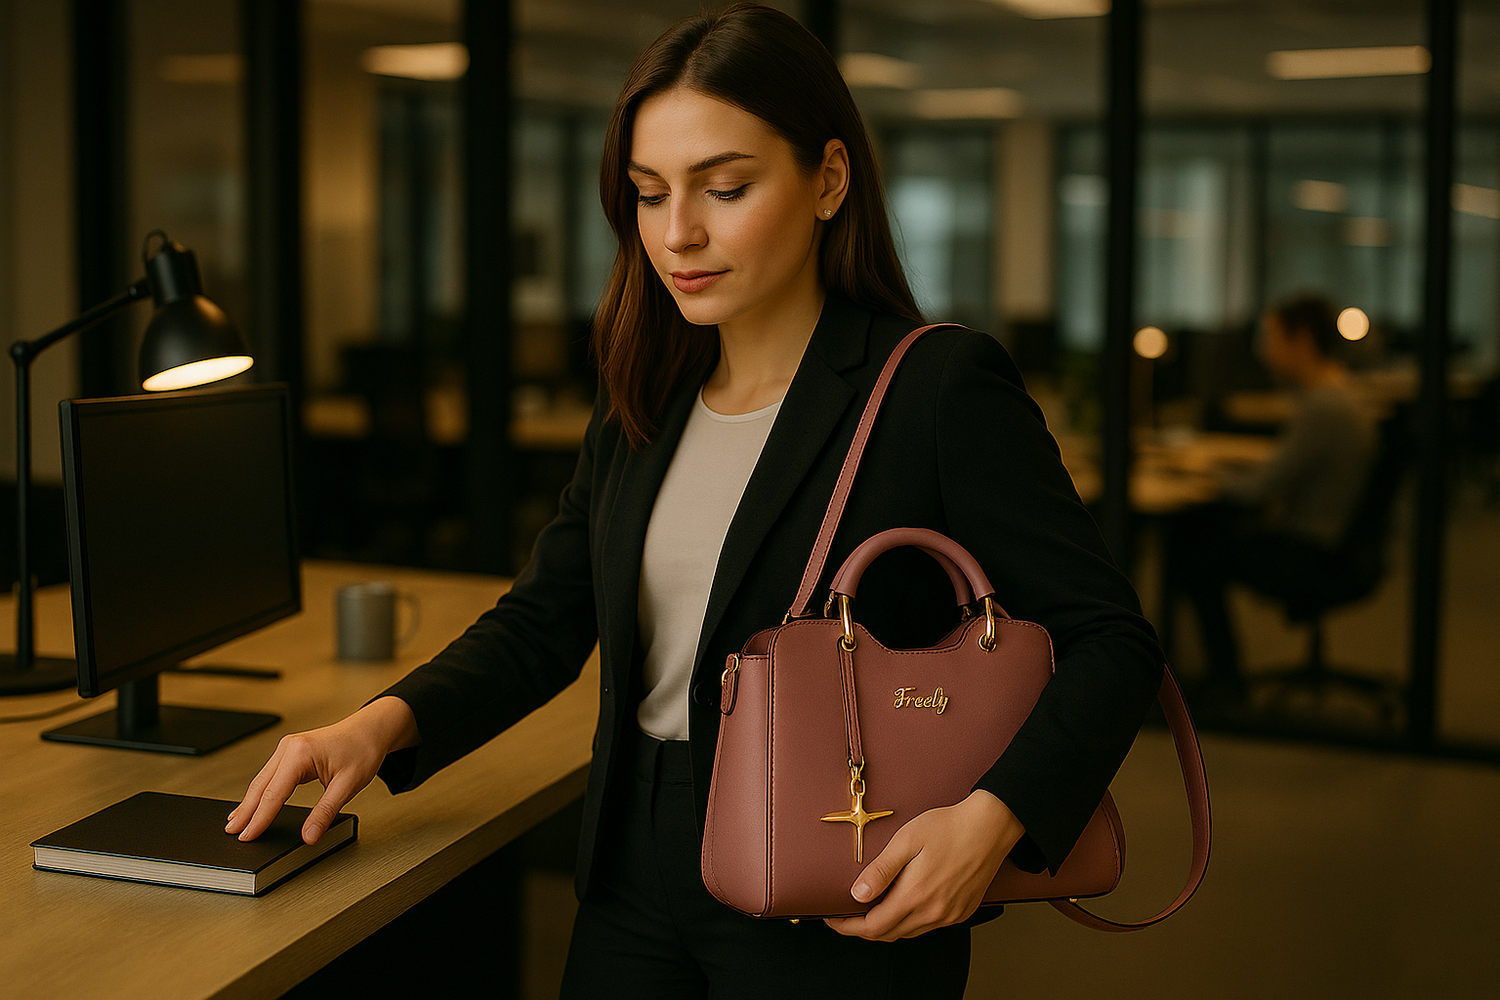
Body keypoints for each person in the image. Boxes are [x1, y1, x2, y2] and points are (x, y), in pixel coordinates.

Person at [226, 6, 1162, 996]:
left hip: (833, 875)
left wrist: (996, 814)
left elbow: (1113, 641)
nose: (678, 233)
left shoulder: (933, 388)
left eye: (726, 187)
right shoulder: (646, 389)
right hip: (633, 856)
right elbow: (545, 619)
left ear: (829, 180)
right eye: (647, 193)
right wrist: (380, 724)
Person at [1169, 293, 1378, 700]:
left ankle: (1224, 679)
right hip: (1335, 544)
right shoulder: (1339, 396)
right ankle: (1213, 674)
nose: (1263, 349)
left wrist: (1199, 476)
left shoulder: (1324, 408)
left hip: (1310, 552)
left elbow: (1260, 491)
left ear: (1300, 339)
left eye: (1271, 337)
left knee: (1190, 545)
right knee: (1203, 534)